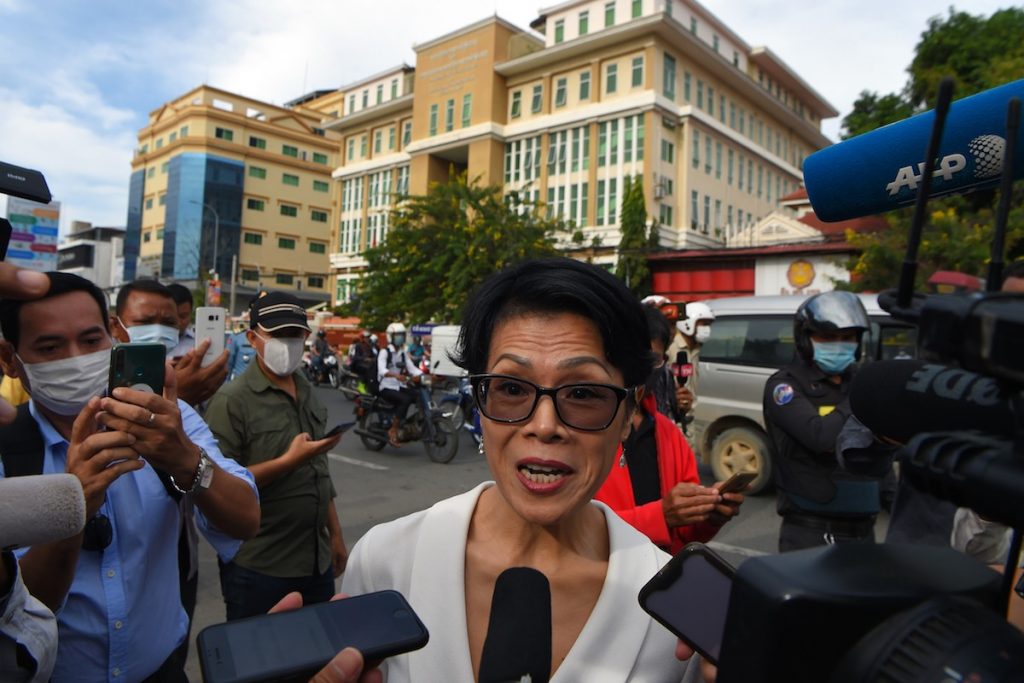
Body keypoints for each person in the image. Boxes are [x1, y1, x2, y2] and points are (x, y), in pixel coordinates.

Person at [341, 257, 702, 681]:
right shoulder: (384, 562)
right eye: (511, 388)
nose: (545, 426)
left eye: (583, 392)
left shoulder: (677, 610)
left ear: (626, 414)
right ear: (479, 401)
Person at [0, 271, 260, 682]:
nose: (76, 358)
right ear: (9, 360)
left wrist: (187, 461)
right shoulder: (7, 452)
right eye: (49, 347)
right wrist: (71, 511)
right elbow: (20, 612)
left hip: (163, 672)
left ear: (114, 337)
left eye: (90, 341)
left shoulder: (167, 420)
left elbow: (245, 519)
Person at [205, 291, 348, 621]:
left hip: (315, 561)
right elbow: (218, 485)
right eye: (278, 335)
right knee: (261, 665)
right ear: (252, 337)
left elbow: (319, 469)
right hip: (260, 567)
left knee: (315, 659)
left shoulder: (307, 389)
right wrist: (288, 461)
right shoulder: (232, 401)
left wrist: (335, 536)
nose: (287, 343)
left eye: (294, 335)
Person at [596, 305, 744, 554]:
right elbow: (571, 531)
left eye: (652, 360)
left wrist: (710, 516)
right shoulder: (581, 432)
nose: (642, 369)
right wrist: (660, 517)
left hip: (660, 578)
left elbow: (685, 534)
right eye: (634, 356)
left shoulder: (669, 435)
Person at [763, 290, 880, 552]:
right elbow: (821, 437)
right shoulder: (785, 386)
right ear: (806, 339)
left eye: (847, 338)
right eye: (828, 337)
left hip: (864, 527)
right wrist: (861, 397)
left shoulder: (860, 380)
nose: (839, 344)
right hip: (812, 529)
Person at [118, 280, 229, 407]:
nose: (158, 331)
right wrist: (176, 396)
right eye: (145, 321)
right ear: (115, 326)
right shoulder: (99, 378)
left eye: (169, 323)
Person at [377, 322, 422, 448]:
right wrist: (396, 376)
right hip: (386, 386)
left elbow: (412, 368)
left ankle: (412, 423)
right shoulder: (384, 352)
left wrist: (424, 375)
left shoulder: (402, 352)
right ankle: (393, 429)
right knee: (405, 399)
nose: (400, 338)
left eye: (402, 335)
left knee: (417, 395)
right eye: (397, 335)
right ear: (390, 336)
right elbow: (381, 370)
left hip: (398, 385)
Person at [673, 301, 716, 418]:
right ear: (688, 323)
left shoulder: (696, 349)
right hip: (674, 415)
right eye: (703, 324)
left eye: (709, 325)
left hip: (690, 414)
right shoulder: (672, 347)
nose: (707, 329)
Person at [166, 282, 195, 360]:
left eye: (183, 316)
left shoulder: (198, 343)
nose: (178, 322)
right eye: (172, 317)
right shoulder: (148, 341)